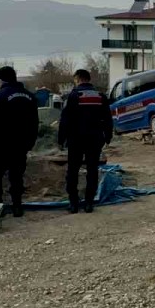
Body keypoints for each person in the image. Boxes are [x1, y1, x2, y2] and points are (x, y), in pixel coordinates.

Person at [0, 66, 39, 217]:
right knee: (17, 176)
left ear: (1, 80)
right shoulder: (30, 96)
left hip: (0, 145)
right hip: (21, 145)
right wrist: (30, 142)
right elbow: (34, 122)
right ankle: (17, 206)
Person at [58, 69, 113, 214]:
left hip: (76, 139)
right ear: (88, 79)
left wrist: (61, 139)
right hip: (95, 138)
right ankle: (89, 203)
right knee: (92, 170)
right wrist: (108, 136)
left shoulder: (73, 96)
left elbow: (65, 120)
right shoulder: (100, 96)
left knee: (73, 170)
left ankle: (74, 204)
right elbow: (108, 118)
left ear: (78, 79)